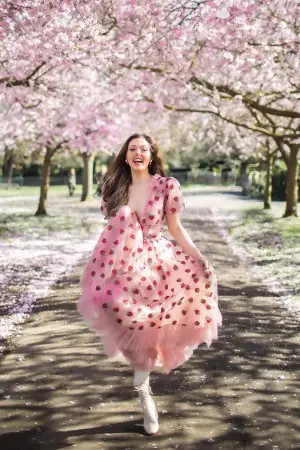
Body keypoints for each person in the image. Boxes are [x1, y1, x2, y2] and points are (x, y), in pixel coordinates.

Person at [77, 134, 222, 435]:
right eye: (132, 149)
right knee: (120, 313)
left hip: (156, 260)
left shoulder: (166, 186)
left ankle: (143, 387)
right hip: (120, 261)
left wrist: (200, 257)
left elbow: (176, 228)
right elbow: (112, 227)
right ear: (126, 156)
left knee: (154, 321)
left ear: (152, 156)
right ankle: (143, 381)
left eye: (144, 149)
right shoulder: (115, 186)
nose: (138, 153)